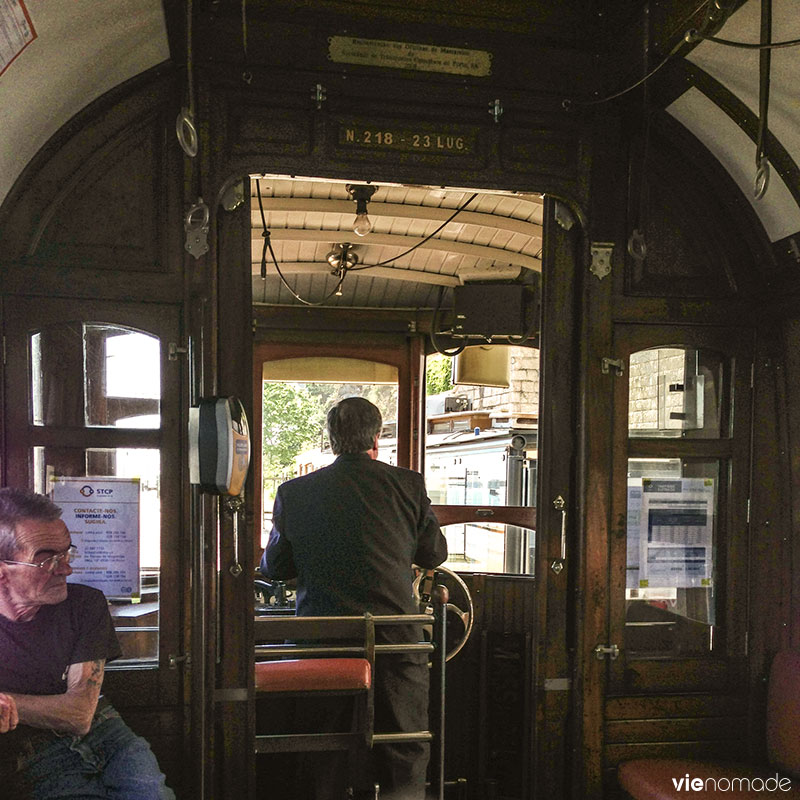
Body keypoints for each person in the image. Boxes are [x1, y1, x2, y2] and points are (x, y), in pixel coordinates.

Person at [260, 396, 448, 800]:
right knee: (404, 744)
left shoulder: (294, 493)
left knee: (322, 749)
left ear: (331, 440)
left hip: (322, 644)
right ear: (377, 437)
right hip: (395, 639)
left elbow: (274, 568)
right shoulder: (408, 484)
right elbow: (433, 554)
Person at [0, 487, 175, 800]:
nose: (66, 569)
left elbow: (79, 713)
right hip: (30, 754)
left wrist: (7, 703)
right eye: (46, 561)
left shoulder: (85, 604)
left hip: (108, 734)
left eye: (67, 553)